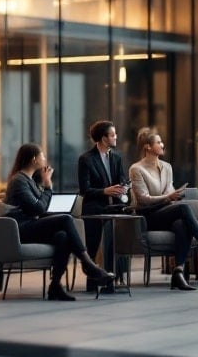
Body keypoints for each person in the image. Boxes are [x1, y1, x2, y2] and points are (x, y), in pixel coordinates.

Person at [4, 143, 114, 301]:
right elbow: (38, 209)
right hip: (20, 229)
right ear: (34, 159)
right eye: (42, 156)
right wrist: (48, 186)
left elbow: (41, 206)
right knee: (66, 219)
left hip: (30, 225)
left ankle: (55, 285)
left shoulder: (30, 181)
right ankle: (88, 264)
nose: (45, 159)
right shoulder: (19, 181)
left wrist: (44, 186)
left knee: (63, 236)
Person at [128, 127, 198, 291]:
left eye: (161, 141)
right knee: (184, 209)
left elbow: (169, 190)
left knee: (181, 224)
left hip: (165, 211)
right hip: (148, 215)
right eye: (158, 142)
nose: (162, 144)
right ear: (147, 147)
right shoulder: (136, 169)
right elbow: (143, 199)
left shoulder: (167, 167)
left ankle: (178, 272)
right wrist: (167, 198)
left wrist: (173, 195)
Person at [77, 120, 126, 292]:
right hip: (94, 208)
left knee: (114, 243)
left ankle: (112, 281)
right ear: (104, 138)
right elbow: (85, 190)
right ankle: (92, 283)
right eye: (112, 135)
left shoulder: (117, 157)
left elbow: (121, 179)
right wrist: (105, 191)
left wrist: (124, 189)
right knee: (93, 245)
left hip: (115, 207)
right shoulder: (86, 159)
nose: (115, 137)